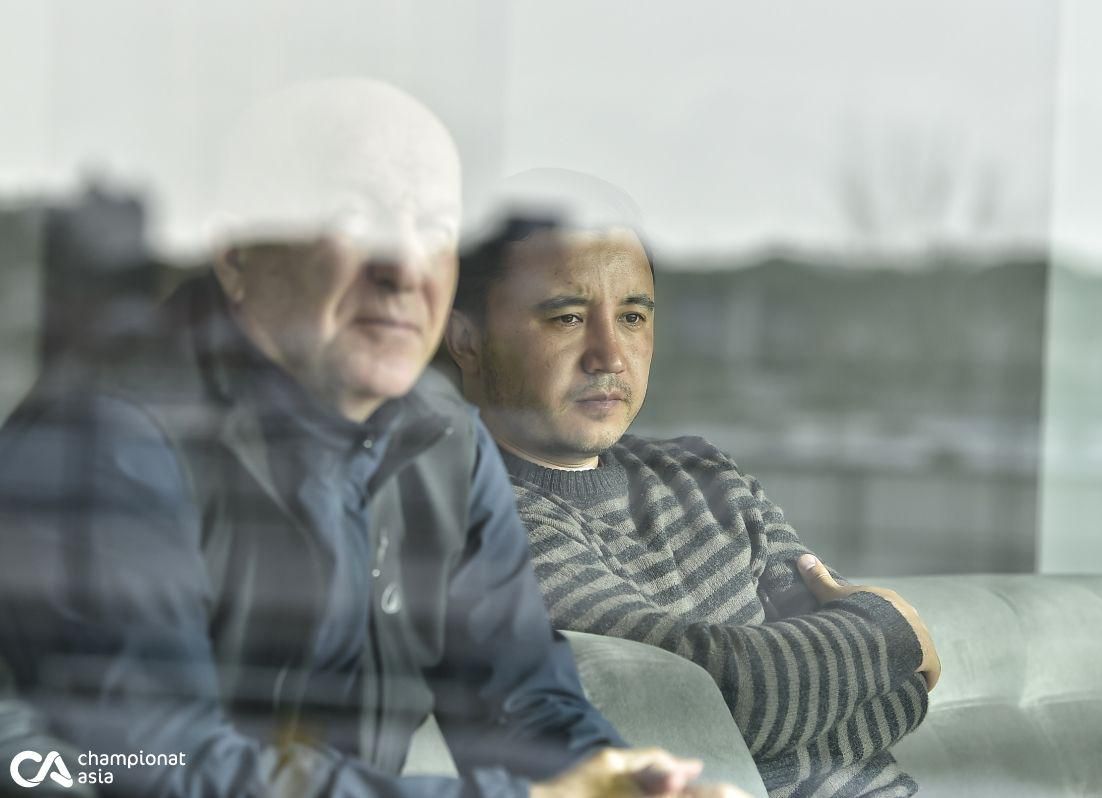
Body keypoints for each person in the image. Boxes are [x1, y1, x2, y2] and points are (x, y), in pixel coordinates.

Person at [0, 82, 735, 798]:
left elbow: (525, 703)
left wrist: (618, 783)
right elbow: (153, 765)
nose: (405, 268)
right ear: (237, 254)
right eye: (355, 220)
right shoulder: (108, 443)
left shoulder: (442, 438)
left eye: (437, 228)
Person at [444, 171, 942, 798]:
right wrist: (891, 631)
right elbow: (718, 697)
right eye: (567, 318)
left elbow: (894, 690)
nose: (609, 355)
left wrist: (846, 675)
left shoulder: (704, 474)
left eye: (632, 316)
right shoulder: (477, 518)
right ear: (467, 340)